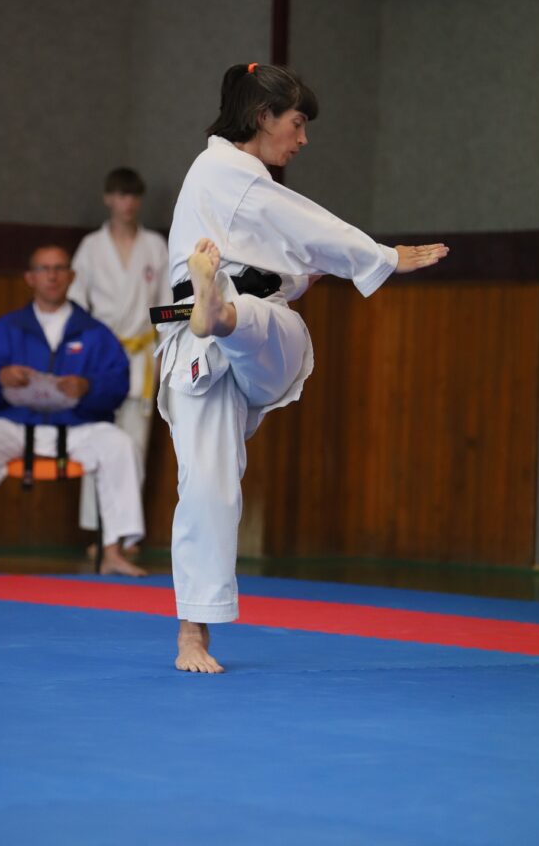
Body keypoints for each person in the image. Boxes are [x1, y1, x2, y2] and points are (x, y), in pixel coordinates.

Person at [156, 62, 450, 674]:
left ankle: (191, 638)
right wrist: (382, 257)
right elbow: (310, 225)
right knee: (273, 334)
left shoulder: (218, 182)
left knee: (206, 483)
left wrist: (306, 274)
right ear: (263, 117)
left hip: (196, 338)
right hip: (226, 334)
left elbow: (289, 251)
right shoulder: (234, 175)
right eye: (297, 123)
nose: (303, 138)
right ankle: (224, 314)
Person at [0, 245, 146, 576]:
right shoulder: (5, 329)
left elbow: (118, 382)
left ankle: (113, 551)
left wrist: (87, 386)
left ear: (71, 276)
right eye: (44, 269)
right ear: (30, 278)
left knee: (121, 445)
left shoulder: (94, 332)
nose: (52, 276)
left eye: (59, 268)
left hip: (78, 425)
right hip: (15, 423)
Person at [68, 168, 171, 565]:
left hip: (141, 356)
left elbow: (168, 308)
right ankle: (99, 533)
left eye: (133, 196)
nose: (127, 203)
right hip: (100, 358)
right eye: (120, 195)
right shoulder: (91, 248)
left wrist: (163, 351)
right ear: (108, 198)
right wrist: (83, 355)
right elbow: (76, 307)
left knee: (133, 448)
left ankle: (124, 536)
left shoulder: (155, 246)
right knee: (95, 443)